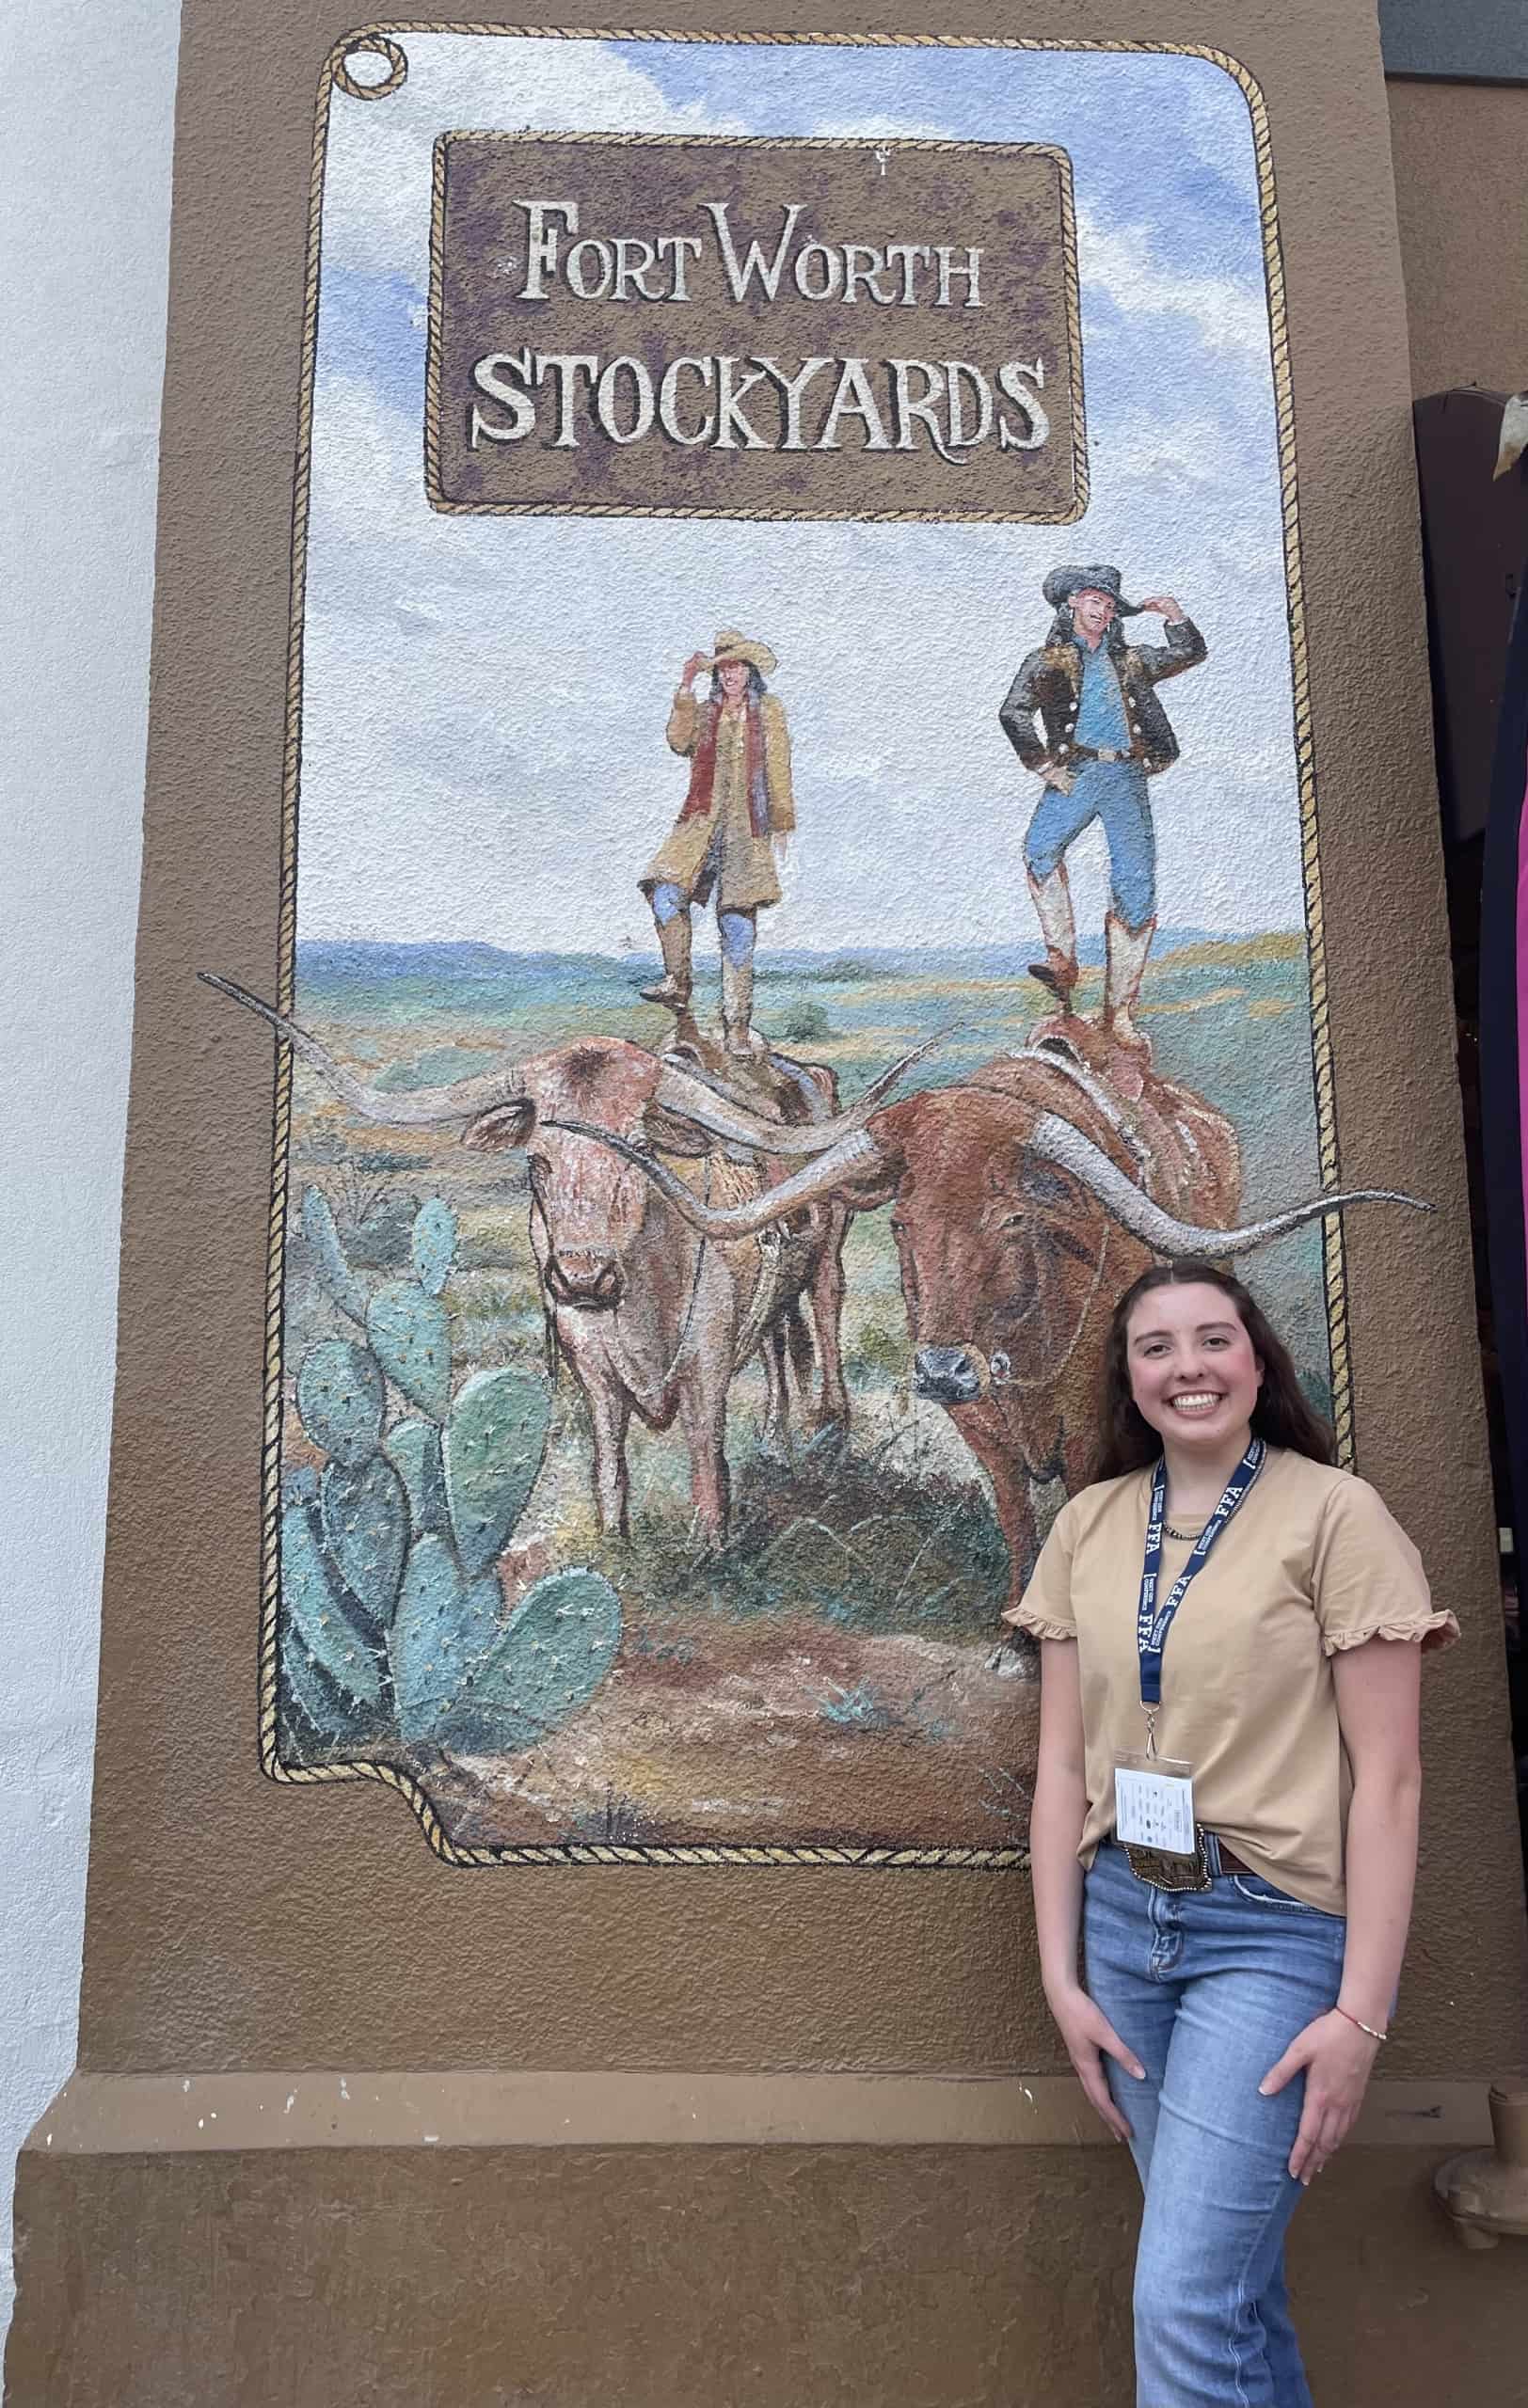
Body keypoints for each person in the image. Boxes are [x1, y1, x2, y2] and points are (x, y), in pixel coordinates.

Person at [1010, 1260, 1457, 2408]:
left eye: (1213, 1340)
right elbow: (1062, 1764)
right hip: (1122, 1924)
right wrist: (1059, 1978)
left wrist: (1361, 2013)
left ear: (1258, 1361)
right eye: (1156, 1347)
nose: (1187, 1367)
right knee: (1231, 2294)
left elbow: (1389, 1780)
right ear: (1129, 1378)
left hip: (1269, 1935)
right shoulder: (1087, 1524)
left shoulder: (1333, 1515)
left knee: (1183, 2302)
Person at [999, 565, 1206, 1053]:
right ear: (1072, 603)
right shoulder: (1047, 661)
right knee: (1040, 850)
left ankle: (1121, 1014)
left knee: (1136, 885)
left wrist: (1173, 614)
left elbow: (1189, 652)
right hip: (1078, 773)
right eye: (1096, 599)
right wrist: (1045, 766)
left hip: (1126, 777)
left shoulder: (1131, 660)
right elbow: (1013, 713)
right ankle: (1061, 961)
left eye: (1111, 604)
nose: (1105, 609)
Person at [639, 629, 794, 1056]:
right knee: (664, 892)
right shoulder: (705, 712)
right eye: (723, 668)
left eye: (737, 668)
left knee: (737, 926)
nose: (730, 675)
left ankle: (737, 1026)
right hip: (700, 823)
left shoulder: (770, 712)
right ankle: (678, 981)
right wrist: (684, 687)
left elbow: (779, 765)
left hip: (747, 829)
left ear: (750, 673)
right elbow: (678, 742)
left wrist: (781, 821)